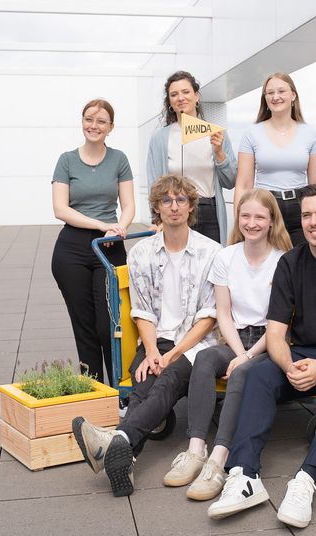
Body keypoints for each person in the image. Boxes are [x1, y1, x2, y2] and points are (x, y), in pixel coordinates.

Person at [207, 184, 316, 528]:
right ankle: (245, 476)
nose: (313, 222)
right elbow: (274, 334)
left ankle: (306, 480)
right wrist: (291, 366)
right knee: (259, 374)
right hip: (302, 354)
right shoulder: (291, 263)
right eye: (306, 215)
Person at [71, 174, 221, 497]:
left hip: (194, 345)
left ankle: (116, 440)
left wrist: (172, 354)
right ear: (157, 208)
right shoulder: (142, 254)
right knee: (142, 382)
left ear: (192, 206)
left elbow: (209, 319)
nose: (174, 206)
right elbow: (142, 312)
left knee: (166, 380)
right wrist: (152, 350)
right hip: (158, 340)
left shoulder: (211, 252)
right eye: (166, 200)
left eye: (181, 200)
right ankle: (123, 456)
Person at [163, 189, 293, 501]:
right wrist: (239, 353)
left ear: (272, 220)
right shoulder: (226, 257)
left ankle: (219, 458)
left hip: (270, 341)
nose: (252, 222)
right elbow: (223, 313)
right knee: (206, 358)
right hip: (236, 337)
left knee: (241, 373)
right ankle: (196, 449)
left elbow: (281, 324)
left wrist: (247, 357)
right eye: (246, 216)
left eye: (260, 217)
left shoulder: (283, 262)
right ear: (238, 219)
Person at [51, 98, 135, 383]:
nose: (94, 125)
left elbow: (129, 205)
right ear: (82, 121)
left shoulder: (119, 159)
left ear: (110, 127)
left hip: (109, 247)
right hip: (72, 248)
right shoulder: (67, 160)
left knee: (109, 325)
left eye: (101, 121)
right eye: (89, 119)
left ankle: (121, 391)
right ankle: (95, 392)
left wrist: (119, 228)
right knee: (84, 326)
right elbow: (60, 209)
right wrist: (101, 225)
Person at [233, 72, 316, 246]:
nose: (276, 97)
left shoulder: (310, 134)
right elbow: (243, 184)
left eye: (281, 91)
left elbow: (315, 186)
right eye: (270, 93)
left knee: (300, 264)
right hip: (265, 208)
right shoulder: (252, 134)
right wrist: (240, 220)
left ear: (293, 95)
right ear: (265, 98)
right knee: (267, 264)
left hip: (300, 207)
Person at [146, 70, 237, 243]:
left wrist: (219, 154)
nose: (180, 98)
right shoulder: (159, 139)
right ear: (170, 102)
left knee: (211, 265)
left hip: (209, 211)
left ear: (196, 96)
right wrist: (157, 220)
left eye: (186, 92)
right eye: (174, 94)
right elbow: (154, 184)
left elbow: (230, 181)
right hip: (174, 210)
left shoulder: (216, 133)